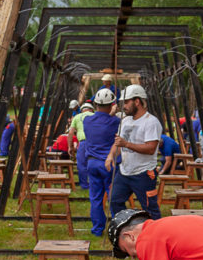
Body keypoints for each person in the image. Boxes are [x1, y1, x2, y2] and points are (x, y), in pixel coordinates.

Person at [106, 84, 162, 219]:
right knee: (114, 201)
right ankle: (128, 228)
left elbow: (150, 148)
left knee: (150, 208)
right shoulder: (125, 121)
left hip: (143, 173)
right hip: (124, 172)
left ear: (137, 101)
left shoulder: (151, 122)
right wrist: (110, 156)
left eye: (126, 102)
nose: (123, 106)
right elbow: (118, 142)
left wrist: (126, 144)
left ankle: (155, 235)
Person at [82, 89, 121, 235]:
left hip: (92, 163)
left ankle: (97, 229)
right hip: (109, 164)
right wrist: (114, 111)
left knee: (95, 198)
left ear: (95, 104)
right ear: (112, 104)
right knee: (114, 197)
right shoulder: (116, 122)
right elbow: (109, 122)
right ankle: (117, 227)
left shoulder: (87, 120)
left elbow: (101, 120)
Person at [69, 100, 93, 190]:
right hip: (94, 143)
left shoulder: (77, 117)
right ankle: (94, 183)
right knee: (93, 162)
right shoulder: (95, 116)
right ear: (91, 110)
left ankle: (84, 185)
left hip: (82, 143)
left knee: (81, 164)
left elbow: (71, 132)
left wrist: (69, 146)